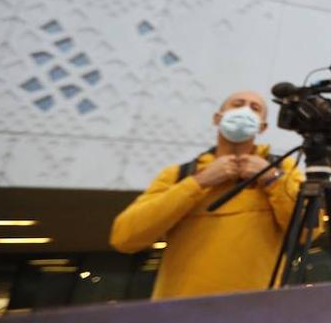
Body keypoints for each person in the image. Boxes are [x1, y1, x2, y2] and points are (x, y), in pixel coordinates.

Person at [109, 90, 303, 299]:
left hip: (256, 311)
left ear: (262, 127)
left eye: (255, 109)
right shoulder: (179, 175)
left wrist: (272, 179)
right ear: (217, 118)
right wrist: (198, 183)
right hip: (182, 312)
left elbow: (308, 229)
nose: (245, 111)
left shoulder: (283, 169)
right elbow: (125, 237)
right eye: (237, 105)